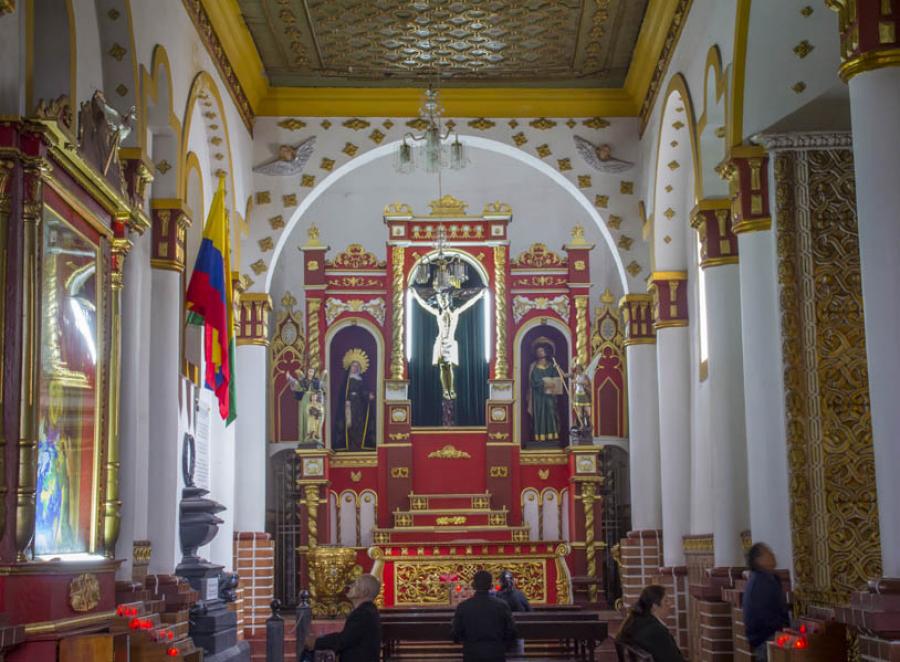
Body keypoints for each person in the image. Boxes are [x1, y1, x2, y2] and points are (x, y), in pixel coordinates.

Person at [305, 574, 381, 662]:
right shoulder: (368, 610)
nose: (350, 587)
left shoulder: (363, 614)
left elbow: (343, 640)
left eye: (356, 584)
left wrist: (316, 643)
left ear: (364, 592)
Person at [452, 570, 517, 662]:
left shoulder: (463, 606)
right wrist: (503, 646)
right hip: (496, 653)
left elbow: (456, 634)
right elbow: (511, 631)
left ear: (473, 585)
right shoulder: (502, 605)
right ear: (491, 586)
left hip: (472, 654)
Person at [743, 542, 790, 662]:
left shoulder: (763, 578)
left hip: (766, 639)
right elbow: (766, 616)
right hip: (767, 640)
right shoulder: (761, 583)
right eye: (768, 553)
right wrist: (786, 629)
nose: (773, 555)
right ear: (759, 560)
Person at [616, 585, 685, 661]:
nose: (670, 604)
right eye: (666, 601)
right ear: (655, 606)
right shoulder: (656, 630)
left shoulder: (634, 621)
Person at [334, 355, 375, 451]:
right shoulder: (346, 380)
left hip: (360, 405)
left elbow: (363, 391)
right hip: (349, 405)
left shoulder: (361, 380)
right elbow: (344, 393)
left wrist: (368, 395)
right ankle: (350, 445)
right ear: (350, 367)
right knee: (350, 423)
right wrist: (347, 400)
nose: (355, 368)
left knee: (359, 423)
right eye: (353, 366)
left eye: (357, 366)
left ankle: (359, 445)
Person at [527, 344, 563, 442]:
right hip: (538, 396)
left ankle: (552, 435)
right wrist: (545, 382)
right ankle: (539, 436)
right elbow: (533, 381)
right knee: (539, 414)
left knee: (551, 412)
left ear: (545, 352)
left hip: (550, 395)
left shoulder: (552, 365)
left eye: (542, 351)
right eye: (538, 351)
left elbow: (557, 378)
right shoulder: (533, 366)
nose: (540, 353)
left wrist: (557, 371)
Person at [496, 570, 530, 656]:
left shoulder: (497, 596)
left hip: (501, 634)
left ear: (500, 582)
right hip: (518, 632)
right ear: (513, 581)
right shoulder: (519, 594)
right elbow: (530, 611)